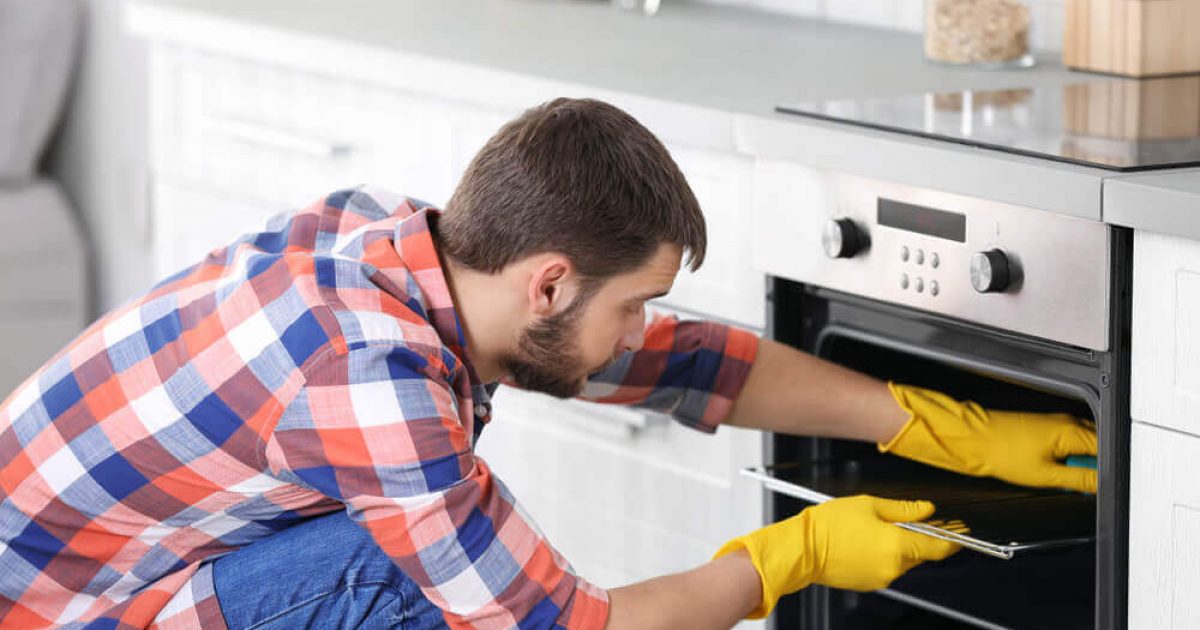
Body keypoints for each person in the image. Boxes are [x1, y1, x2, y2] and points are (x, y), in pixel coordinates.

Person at [0, 98, 1097, 629]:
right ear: (551, 281)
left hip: (91, 573)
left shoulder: (389, 237)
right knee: (402, 577)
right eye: (634, 302)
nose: (639, 329)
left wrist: (922, 420)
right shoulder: (374, 386)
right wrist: (790, 559)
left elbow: (675, 365)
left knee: (420, 547)